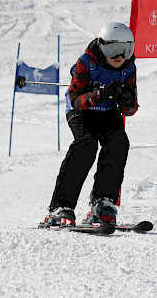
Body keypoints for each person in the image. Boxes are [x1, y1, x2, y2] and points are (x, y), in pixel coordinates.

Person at [42, 22, 139, 226]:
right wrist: (101, 94)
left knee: (119, 141)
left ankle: (103, 202)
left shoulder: (129, 67)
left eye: (126, 49)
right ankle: (60, 207)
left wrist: (126, 98)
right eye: (113, 49)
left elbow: (130, 111)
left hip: (109, 113)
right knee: (86, 144)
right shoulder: (86, 62)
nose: (119, 56)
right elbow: (76, 99)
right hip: (81, 113)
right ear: (102, 47)